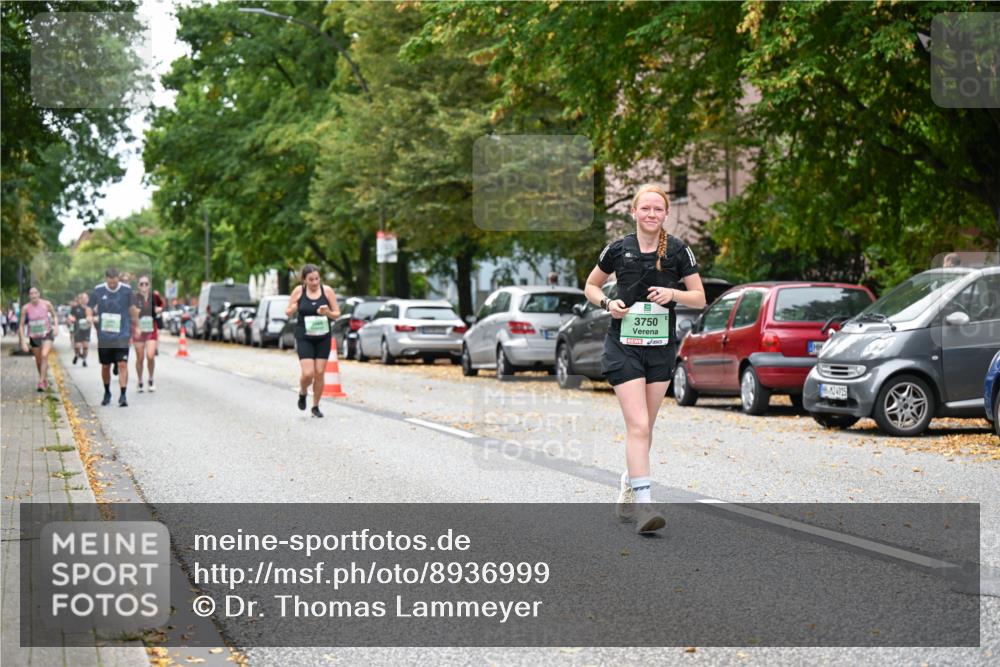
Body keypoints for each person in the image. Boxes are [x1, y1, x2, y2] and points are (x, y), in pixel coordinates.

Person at [584, 183, 706, 534]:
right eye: (645, 209)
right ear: (634, 212)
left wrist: (673, 293)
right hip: (623, 345)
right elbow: (591, 286)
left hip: (660, 348)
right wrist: (608, 304)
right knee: (637, 426)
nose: (652, 214)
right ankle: (644, 506)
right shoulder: (618, 249)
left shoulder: (679, 251)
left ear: (665, 215)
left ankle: (629, 481)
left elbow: (699, 297)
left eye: (658, 209)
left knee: (645, 428)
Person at [286, 264, 340, 418]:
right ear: (305, 280)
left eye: (317, 278)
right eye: (311, 279)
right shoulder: (299, 291)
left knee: (320, 372)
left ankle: (315, 406)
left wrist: (327, 312)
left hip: (323, 336)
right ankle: (303, 392)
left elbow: (336, 314)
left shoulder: (327, 291)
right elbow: (288, 312)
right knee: (308, 373)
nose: (315, 282)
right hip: (305, 336)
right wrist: (294, 307)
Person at [91, 267, 136, 407]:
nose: (112, 285)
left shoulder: (127, 290)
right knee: (106, 366)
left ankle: (123, 395)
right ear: (106, 279)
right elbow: (90, 306)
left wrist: (137, 326)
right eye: (110, 283)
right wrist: (89, 315)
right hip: (104, 336)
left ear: (118, 278)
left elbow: (132, 309)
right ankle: (107, 392)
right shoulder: (98, 290)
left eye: (114, 282)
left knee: (122, 364)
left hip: (122, 334)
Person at [18, 286, 59, 391]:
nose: (34, 295)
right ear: (29, 296)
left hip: (47, 334)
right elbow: (21, 326)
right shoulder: (25, 308)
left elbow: (55, 316)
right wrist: (23, 342)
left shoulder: (47, 304)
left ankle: (41, 382)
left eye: (35, 293)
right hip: (34, 336)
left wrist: (56, 327)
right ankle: (44, 378)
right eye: (31, 293)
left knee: (44, 355)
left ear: (39, 294)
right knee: (38, 361)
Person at [130, 275, 165, 393]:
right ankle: (140, 380)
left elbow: (161, 304)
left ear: (149, 285)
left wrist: (159, 309)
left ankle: (150, 379)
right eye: (141, 284)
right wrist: (136, 326)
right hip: (138, 329)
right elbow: (132, 312)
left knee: (150, 356)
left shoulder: (154, 296)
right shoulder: (134, 298)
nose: (144, 286)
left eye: (146, 284)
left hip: (151, 327)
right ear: (138, 286)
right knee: (139, 358)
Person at [68, 292, 93, 367]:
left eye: (86, 298)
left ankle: (84, 359)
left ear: (88, 299)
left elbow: (93, 317)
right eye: (83, 298)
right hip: (77, 328)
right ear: (80, 299)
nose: (85, 300)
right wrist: (71, 318)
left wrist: (90, 318)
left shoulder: (89, 308)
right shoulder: (75, 308)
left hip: (86, 329)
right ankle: (77, 354)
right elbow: (70, 315)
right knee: (78, 346)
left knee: (85, 346)